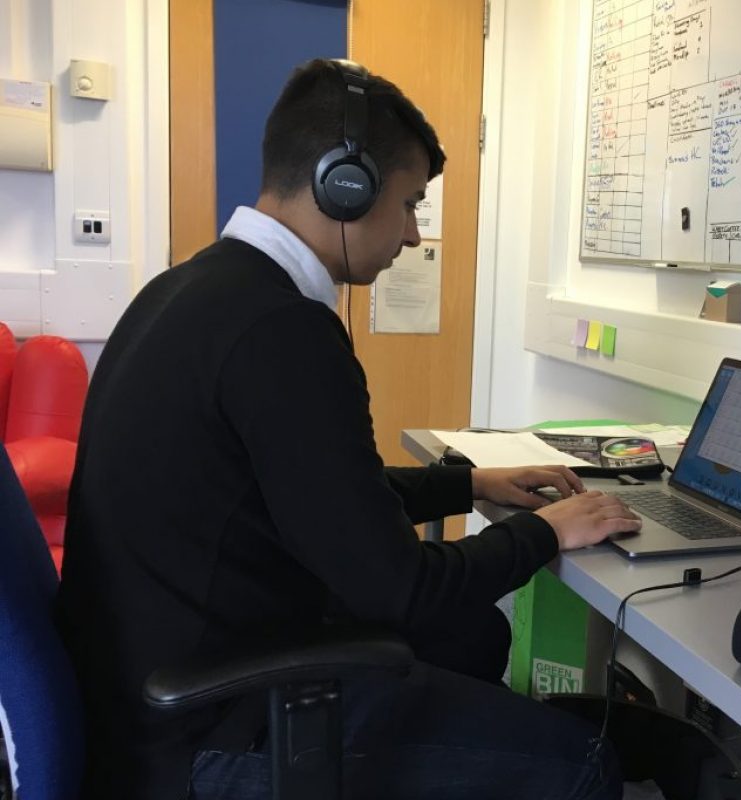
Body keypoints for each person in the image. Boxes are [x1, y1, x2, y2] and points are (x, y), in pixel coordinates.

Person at [55, 58, 641, 799]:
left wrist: (470, 484)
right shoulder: (282, 332)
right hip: (205, 733)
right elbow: (400, 592)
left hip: (143, 696)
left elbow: (318, 494)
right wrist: (549, 533)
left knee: (474, 637)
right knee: (581, 760)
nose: (412, 235)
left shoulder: (191, 290)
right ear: (346, 188)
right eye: (409, 204)